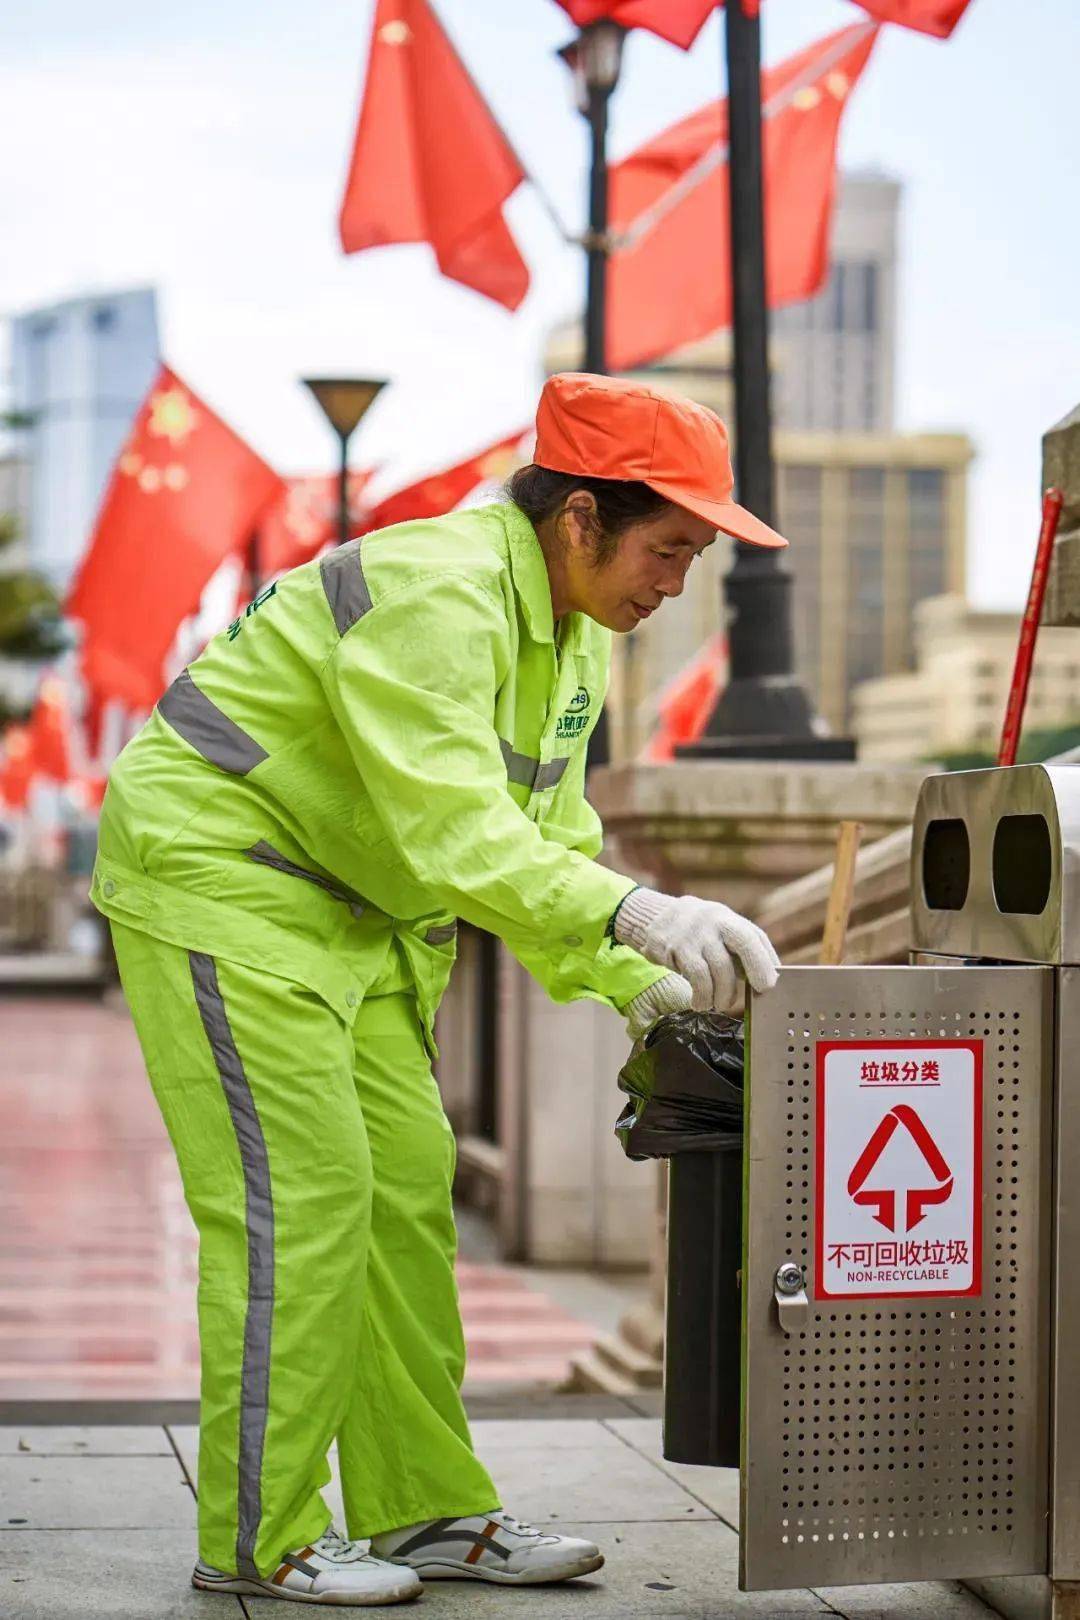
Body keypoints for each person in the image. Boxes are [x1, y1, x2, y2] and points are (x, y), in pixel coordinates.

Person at [90, 372, 785, 1607]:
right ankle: (259, 1539)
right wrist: (642, 910)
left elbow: (548, 842)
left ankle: (421, 1512)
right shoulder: (441, 589)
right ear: (579, 517)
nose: (678, 581)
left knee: (406, 1194)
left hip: (349, 919)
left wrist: (642, 981)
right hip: (220, 878)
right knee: (300, 1204)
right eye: (669, 547)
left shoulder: (575, 643)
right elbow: (454, 831)